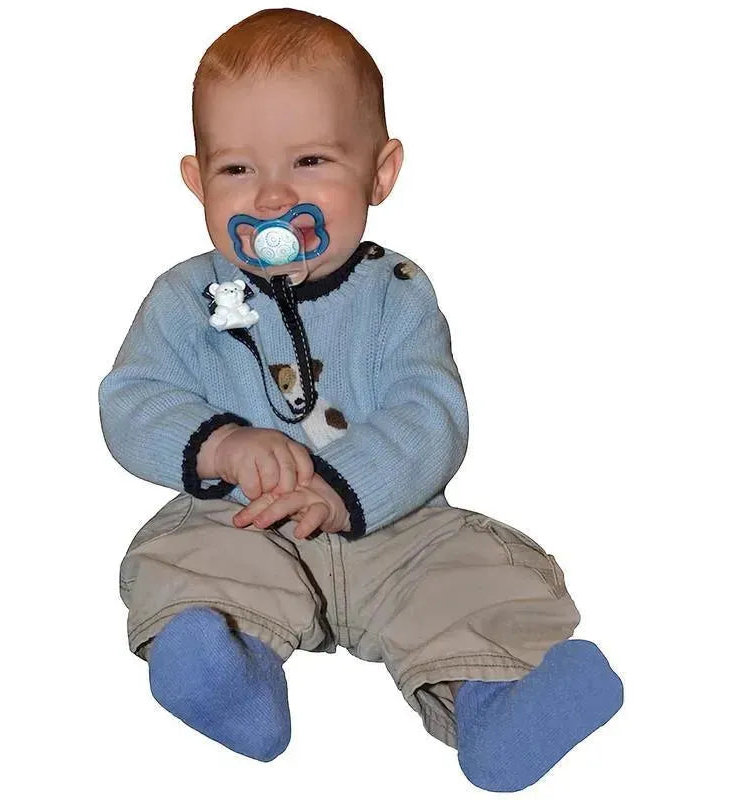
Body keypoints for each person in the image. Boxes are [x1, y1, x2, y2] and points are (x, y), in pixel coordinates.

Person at [99, 8, 623, 792]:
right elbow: (132, 399)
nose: (273, 197)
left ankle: (493, 702)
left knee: (471, 573)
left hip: (396, 528)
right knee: (186, 561)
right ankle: (230, 672)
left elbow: (429, 411)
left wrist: (345, 489)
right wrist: (220, 445)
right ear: (196, 180)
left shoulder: (396, 293)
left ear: (380, 173)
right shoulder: (185, 297)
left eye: (310, 160)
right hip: (243, 519)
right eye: (236, 169)